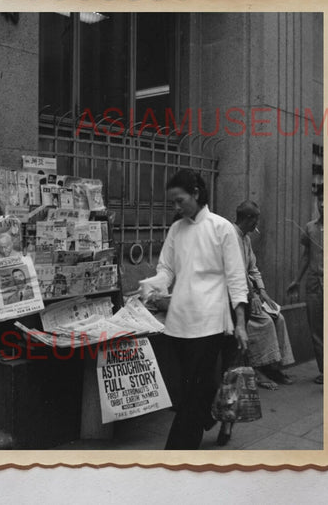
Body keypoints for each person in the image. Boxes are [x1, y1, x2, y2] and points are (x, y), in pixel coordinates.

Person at [139, 169, 249, 450]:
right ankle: (205, 413)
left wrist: (240, 323)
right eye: (172, 203)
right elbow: (166, 269)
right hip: (179, 321)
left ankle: (177, 452)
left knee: (191, 394)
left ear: (196, 194)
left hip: (210, 321)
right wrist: (151, 285)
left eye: (180, 201)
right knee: (191, 388)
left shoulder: (221, 228)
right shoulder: (176, 229)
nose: (176, 208)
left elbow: (237, 278)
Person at [216, 200, 296, 446]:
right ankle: (257, 372)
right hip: (230, 303)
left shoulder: (246, 240)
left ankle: (271, 367)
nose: (257, 224)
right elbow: (231, 274)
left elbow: (252, 269)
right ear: (249, 219)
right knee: (228, 365)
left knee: (235, 363)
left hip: (243, 303)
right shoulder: (228, 234)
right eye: (256, 220)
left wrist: (260, 293)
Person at [288, 188, 324, 384]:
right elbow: (305, 256)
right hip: (313, 283)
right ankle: (324, 371)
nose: (323, 204)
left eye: (327, 200)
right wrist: (297, 280)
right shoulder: (310, 227)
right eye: (320, 200)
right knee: (316, 328)